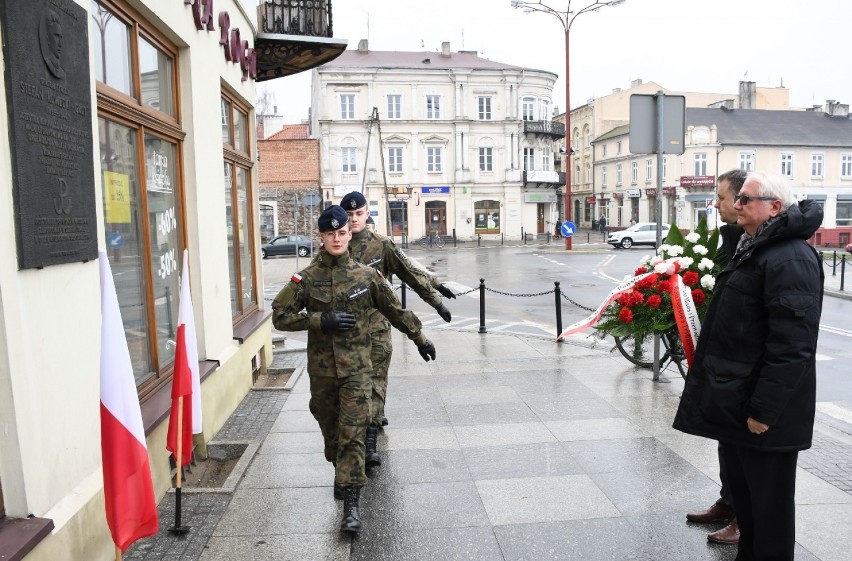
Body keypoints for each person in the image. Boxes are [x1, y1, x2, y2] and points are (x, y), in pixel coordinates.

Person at [673, 171, 824, 561]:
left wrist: (763, 410)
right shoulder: (753, 246)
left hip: (765, 415)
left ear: (775, 207)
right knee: (750, 510)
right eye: (736, 198)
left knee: (769, 515)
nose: (736, 205)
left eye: (745, 199)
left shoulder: (790, 257)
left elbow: (792, 347)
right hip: (739, 401)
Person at [272, 205, 437, 534]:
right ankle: (339, 468)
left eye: (342, 232)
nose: (337, 238)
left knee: (352, 435)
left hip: (358, 372)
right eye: (330, 233)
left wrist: (420, 337)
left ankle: (352, 504)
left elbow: (394, 310)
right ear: (321, 236)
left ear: (350, 233)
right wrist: (319, 320)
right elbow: (280, 315)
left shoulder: (366, 276)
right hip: (322, 374)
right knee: (331, 431)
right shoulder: (306, 279)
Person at [339, 191, 454, 468]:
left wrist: (436, 300)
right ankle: (363, 431)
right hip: (346, 333)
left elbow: (409, 273)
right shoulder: (336, 246)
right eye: (349, 215)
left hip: (378, 328)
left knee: (376, 383)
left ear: (367, 213)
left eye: (358, 214)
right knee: (355, 389)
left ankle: (369, 444)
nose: (354, 219)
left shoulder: (382, 246)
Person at [685, 168, 747, 545]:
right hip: (725, 358)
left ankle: (744, 517)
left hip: (744, 365)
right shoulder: (734, 239)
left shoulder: (762, 244)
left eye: (722, 197)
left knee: (745, 448)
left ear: (742, 201)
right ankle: (728, 502)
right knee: (727, 439)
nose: (717, 203)